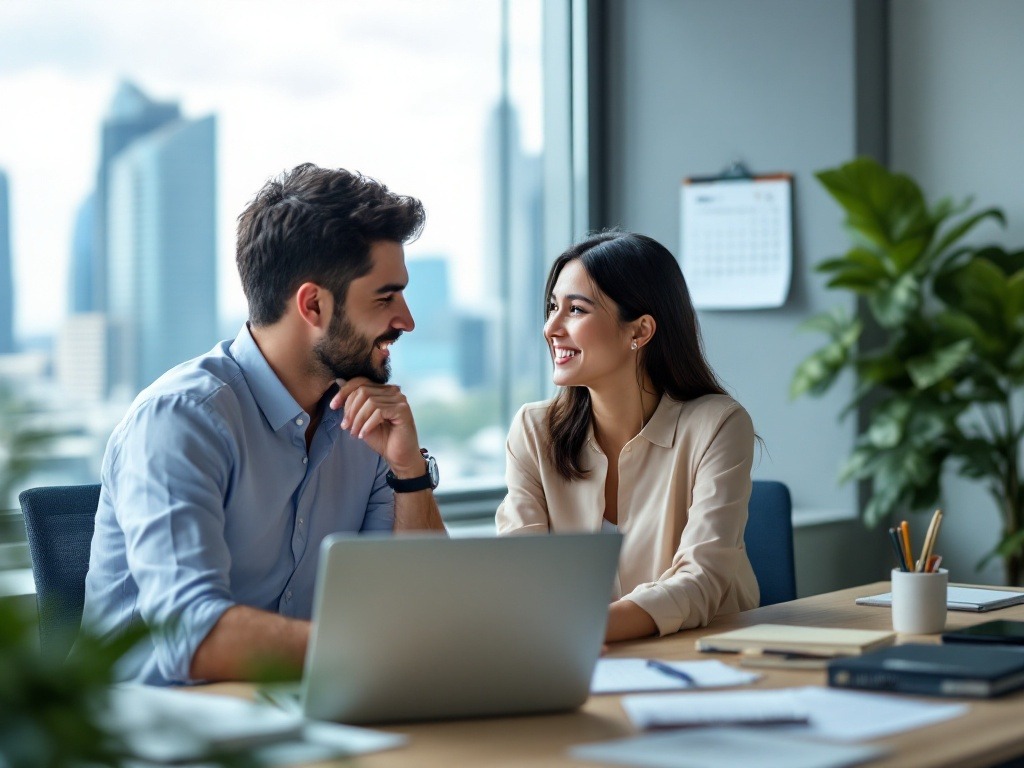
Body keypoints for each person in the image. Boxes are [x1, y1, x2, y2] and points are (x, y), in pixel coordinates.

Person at [81, 164, 446, 685]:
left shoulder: (366, 424)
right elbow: (195, 635)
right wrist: (378, 650)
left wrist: (408, 470)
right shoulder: (182, 421)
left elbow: (420, 604)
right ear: (313, 304)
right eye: (386, 297)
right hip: (147, 738)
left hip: (292, 721)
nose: (407, 320)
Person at [496, 231, 758, 643]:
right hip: (575, 659)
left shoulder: (718, 425)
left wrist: (576, 628)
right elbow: (520, 574)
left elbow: (701, 579)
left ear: (640, 331)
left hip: (704, 656)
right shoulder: (534, 431)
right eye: (552, 308)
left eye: (576, 310)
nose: (551, 328)